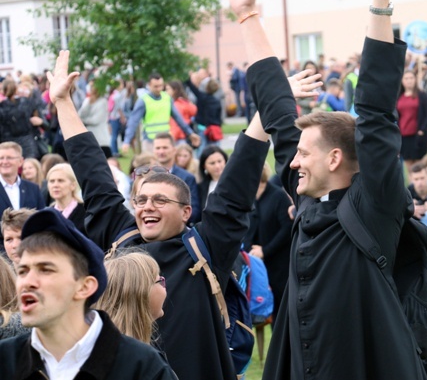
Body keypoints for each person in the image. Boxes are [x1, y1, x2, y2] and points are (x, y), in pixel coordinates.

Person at [219, 0, 427, 378]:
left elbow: (374, 109)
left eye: (303, 152)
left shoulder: (374, 205)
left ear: (336, 158)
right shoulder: (309, 201)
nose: (293, 161)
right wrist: (247, 16)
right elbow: (277, 109)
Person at [47, 48, 272, 380]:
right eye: (140, 200)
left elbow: (238, 181)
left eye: (159, 200)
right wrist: (63, 102)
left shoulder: (205, 246)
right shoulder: (122, 236)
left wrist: (268, 104)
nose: (147, 206)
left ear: (186, 212)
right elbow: (92, 172)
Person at [0, 208, 176, 378]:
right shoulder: (6, 360)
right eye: (22, 271)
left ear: (85, 287)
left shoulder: (142, 366)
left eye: (45, 270)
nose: (27, 282)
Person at [245, 163, 292, 324]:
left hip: (278, 262)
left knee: (280, 309)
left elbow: (287, 228)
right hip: (254, 262)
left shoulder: (278, 196)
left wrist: (265, 250)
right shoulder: (247, 196)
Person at [94, 250, 167, 344]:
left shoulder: (101, 342)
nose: (164, 285)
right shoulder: (133, 354)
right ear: (141, 293)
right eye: (159, 281)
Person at [122, 73, 200, 154]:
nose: (159, 89)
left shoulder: (167, 98)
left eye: (161, 86)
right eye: (156, 86)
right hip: (150, 141)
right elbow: (133, 121)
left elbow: (179, 118)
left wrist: (190, 133)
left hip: (165, 139)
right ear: (149, 85)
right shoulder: (143, 100)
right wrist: (127, 141)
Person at [152, 132, 201, 223]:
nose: (161, 152)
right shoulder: (147, 176)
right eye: (158, 148)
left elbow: (194, 210)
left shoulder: (187, 178)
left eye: (165, 148)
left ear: (174, 150)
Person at [398, 70, 427, 169]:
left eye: (411, 78)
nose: (409, 81)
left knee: (419, 165)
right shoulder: (399, 97)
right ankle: (411, 184)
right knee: (408, 164)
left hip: (418, 135)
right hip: (404, 136)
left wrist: (422, 130)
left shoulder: (422, 96)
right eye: (406, 78)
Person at [0, 80, 43, 159]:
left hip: (10, 141)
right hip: (25, 140)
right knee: (29, 164)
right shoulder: (26, 102)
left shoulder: (3, 106)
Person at [0, 142, 45, 217]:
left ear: (20, 161)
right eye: (1, 158)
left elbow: (42, 217)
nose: (4, 162)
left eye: (9, 158)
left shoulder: (33, 189)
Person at [46, 163, 86, 235]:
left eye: (60, 181)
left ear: (73, 185)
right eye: (52, 181)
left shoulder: (85, 212)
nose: (55, 185)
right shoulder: (47, 214)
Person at [79, 81, 112, 159]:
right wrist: (89, 104)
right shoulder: (87, 101)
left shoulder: (103, 102)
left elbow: (95, 120)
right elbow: (80, 115)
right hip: (89, 138)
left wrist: (83, 120)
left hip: (101, 139)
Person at [197, 145, 229, 214]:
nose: (217, 166)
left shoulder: (235, 183)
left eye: (219, 161)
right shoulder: (201, 187)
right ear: (204, 166)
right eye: (212, 163)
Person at [166, 80, 197, 144]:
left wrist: (173, 137)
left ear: (174, 90)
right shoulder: (185, 102)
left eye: (168, 89)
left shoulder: (176, 105)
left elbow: (175, 124)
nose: (166, 92)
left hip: (176, 136)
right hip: (184, 135)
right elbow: (193, 111)